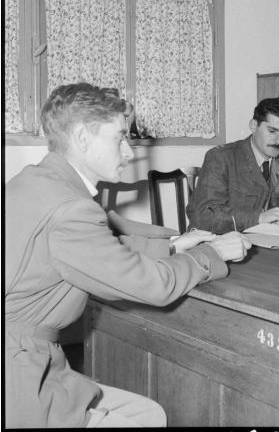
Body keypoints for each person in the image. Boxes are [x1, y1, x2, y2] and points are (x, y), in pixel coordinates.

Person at [4, 83, 251, 428]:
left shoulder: (34, 181)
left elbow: (93, 248)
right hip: (21, 377)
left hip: (27, 357)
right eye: (119, 138)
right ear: (82, 137)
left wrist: (173, 245)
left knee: (150, 413)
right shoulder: (71, 209)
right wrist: (210, 254)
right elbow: (152, 285)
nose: (129, 152)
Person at [187, 97, 279, 233]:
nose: (278, 140)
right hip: (218, 244)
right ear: (253, 126)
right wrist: (258, 218)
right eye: (272, 131)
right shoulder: (220, 158)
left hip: (265, 243)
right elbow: (204, 217)